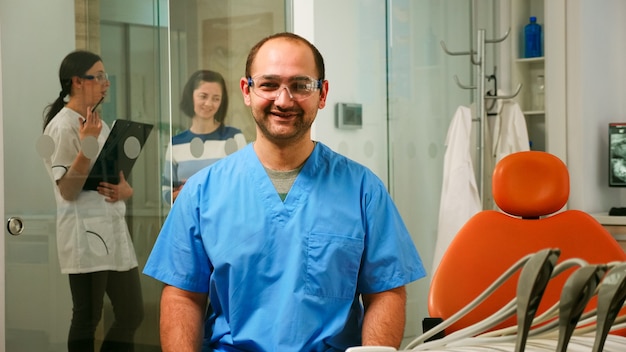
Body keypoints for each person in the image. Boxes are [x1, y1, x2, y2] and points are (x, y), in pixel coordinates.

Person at [143, 32, 426, 351]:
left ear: (322, 93)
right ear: (247, 91)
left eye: (301, 85)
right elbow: (183, 296)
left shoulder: (363, 190)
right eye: (269, 84)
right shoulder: (202, 193)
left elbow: (385, 292)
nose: (284, 99)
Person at [41, 50, 144, 351]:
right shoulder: (61, 127)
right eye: (98, 77)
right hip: (84, 234)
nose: (106, 83)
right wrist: (87, 141)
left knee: (131, 313)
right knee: (88, 317)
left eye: (105, 77)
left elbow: (113, 180)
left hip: (112, 231)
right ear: (77, 82)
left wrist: (126, 191)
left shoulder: (99, 124)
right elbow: (68, 190)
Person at [163, 69, 247, 203]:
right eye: (203, 96)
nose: (208, 103)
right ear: (191, 96)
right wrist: (184, 193)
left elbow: (246, 184)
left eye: (216, 98)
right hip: (189, 221)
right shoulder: (176, 144)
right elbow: (166, 193)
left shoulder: (235, 137)